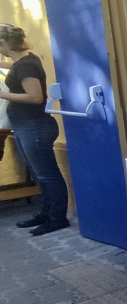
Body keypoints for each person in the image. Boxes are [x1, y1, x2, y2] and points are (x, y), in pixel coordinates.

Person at [0, 24, 69, 235]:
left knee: (47, 175)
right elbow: (13, 67)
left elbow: (35, 97)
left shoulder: (26, 65)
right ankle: (46, 213)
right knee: (40, 174)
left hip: (34, 127)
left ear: (3, 44)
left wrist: (2, 95)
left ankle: (57, 218)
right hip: (25, 125)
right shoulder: (23, 60)